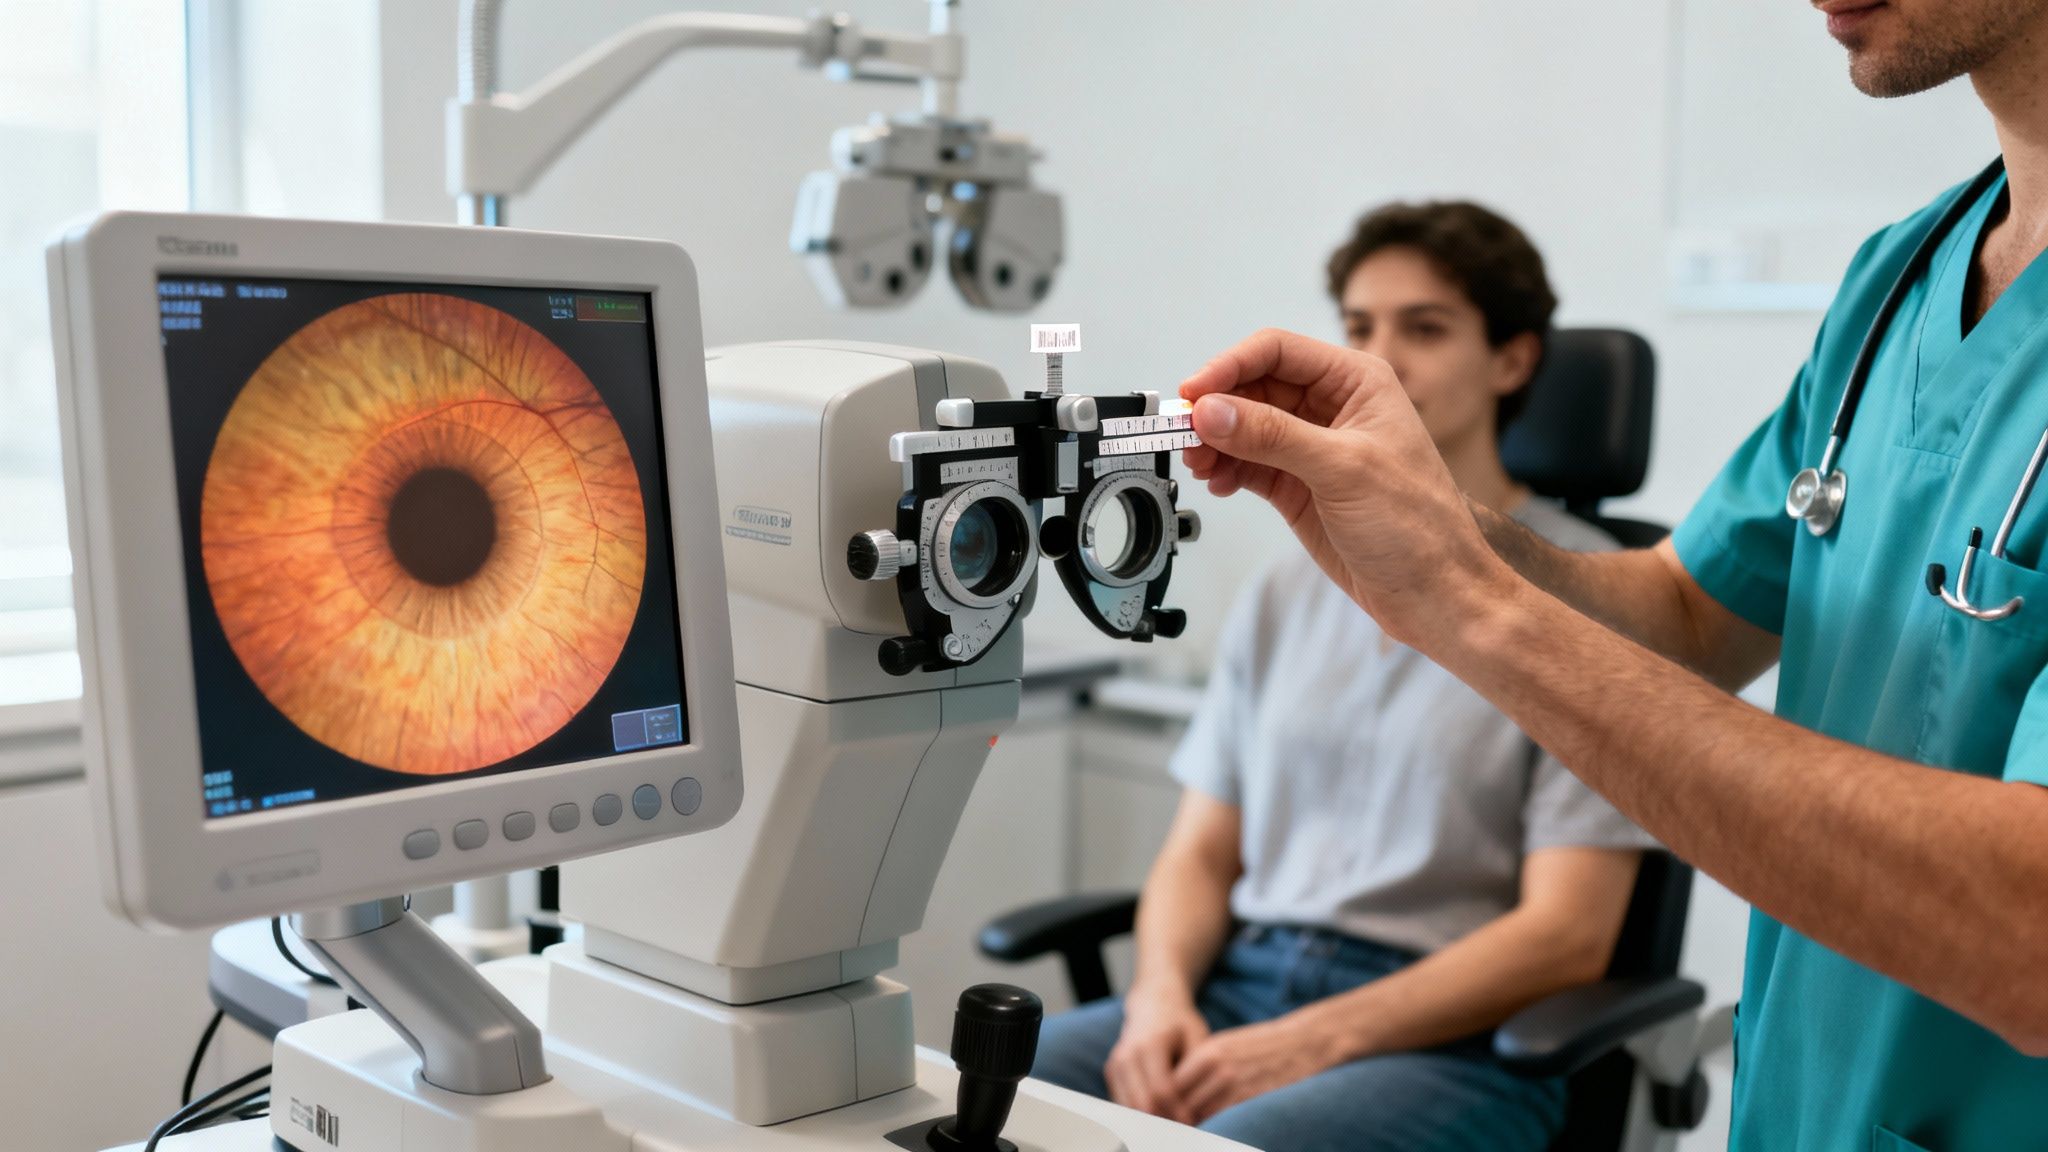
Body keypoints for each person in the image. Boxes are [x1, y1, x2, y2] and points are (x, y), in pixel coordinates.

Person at [1175, 2, 2048, 1148]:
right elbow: (1688, 613)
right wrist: (1446, 537)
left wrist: (1469, 606)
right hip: (1803, 1103)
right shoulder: (1896, 280)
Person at [1031, 202, 1655, 1152]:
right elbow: (1200, 854)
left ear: (1514, 360)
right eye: (1360, 328)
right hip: (1239, 986)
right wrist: (1156, 1001)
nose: (1382, 358)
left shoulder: (1595, 597)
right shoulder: (1291, 583)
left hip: (1452, 1042)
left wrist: (1305, 1042)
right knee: (988, 1096)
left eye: (1427, 327)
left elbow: (1567, 936)